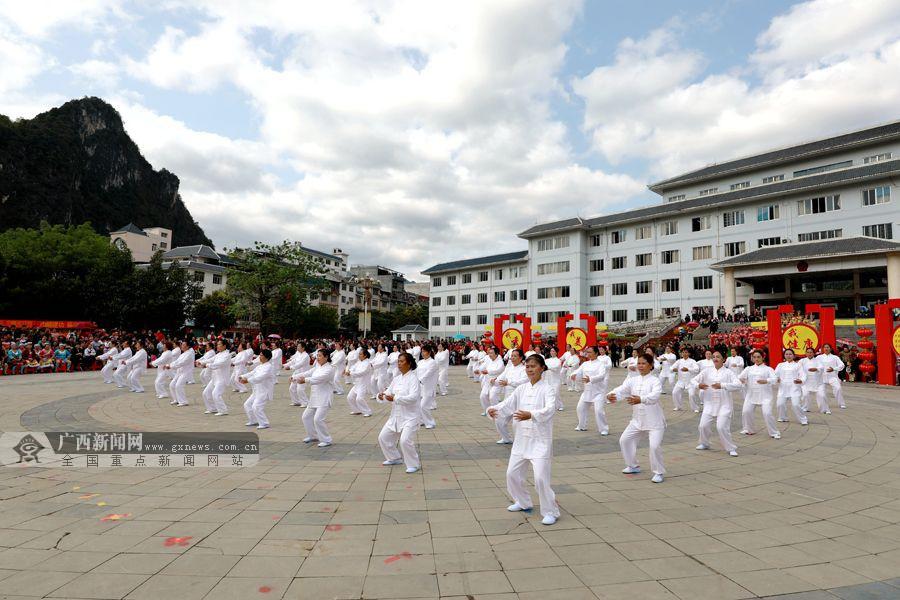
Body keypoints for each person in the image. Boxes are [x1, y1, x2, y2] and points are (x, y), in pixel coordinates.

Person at [488, 354, 560, 525]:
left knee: (541, 478)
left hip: (540, 441)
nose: (530, 370)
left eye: (533, 366)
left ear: (542, 368)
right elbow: (508, 404)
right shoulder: (521, 389)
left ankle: (550, 511)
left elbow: (550, 409)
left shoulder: (548, 389)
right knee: (511, 474)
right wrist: (494, 409)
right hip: (521, 440)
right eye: (527, 367)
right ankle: (522, 501)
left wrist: (531, 415)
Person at [607, 352, 666, 483]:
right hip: (637, 420)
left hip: (654, 421)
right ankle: (633, 465)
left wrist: (641, 399)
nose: (640, 366)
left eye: (644, 363)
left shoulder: (655, 381)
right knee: (624, 440)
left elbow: (655, 396)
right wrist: (611, 395)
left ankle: (659, 472)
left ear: (650, 365)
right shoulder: (632, 380)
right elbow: (621, 390)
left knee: (654, 446)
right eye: (639, 363)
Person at [378, 351, 423, 473]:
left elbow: (413, 397)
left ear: (409, 364)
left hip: (410, 416)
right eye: (398, 361)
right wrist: (382, 396)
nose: (399, 364)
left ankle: (414, 464)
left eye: (402, 361)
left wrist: (395, 398)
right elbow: (388, 393)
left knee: (405, 440)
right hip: (396, 416)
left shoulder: (413, 379)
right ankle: (394, 457)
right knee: (383, 437)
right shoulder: (396, 379)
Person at [694, 351, 742, 457]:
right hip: (709, 404)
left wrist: (723, 385)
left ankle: (730, 448)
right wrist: (698, 385)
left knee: (721, 427)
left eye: (718, 357)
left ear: (723, 359)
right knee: (703, 426)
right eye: (714, 357)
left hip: (724, 404)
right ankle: (705, 443)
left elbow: (738, 384)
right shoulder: (706, 371)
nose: (715, 359)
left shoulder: (728, 372)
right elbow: (693, 380)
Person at [296, 349, 336, 447]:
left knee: (318, 419)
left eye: (320, 356)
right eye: (317, 355)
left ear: (326, 357)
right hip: (314, 397)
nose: (317, 358)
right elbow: (310, 372)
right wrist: (295, 376)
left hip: (324, 397)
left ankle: (326, 440)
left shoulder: (330, 369)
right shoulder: (317, 366)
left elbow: (319, 379)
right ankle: (313, 436)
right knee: (306, 417)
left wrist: (305, 380)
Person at [738, 350, 779, 438]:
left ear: (763, 357)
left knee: (767, 413)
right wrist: (742, 380)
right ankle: (749, 429)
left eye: (758, 357)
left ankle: (774, 432)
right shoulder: (748, 368)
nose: (756, 359)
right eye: (754, 357)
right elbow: (740, 377)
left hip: (765, 395)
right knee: (746, 411)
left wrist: (766, 381)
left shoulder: (768, 369)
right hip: (751, 394)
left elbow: (775, 379)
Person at [570, 346, 610, 436]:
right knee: (580, 408)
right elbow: (578, 371)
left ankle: (604, 429)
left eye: (590, 352)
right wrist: (573, 375)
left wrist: (591, 379)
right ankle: (582, 425)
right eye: (587, 352)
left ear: (596, 353)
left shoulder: (601, 364)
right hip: (587, 391)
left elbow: (602, 375)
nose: (588, 354)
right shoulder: (585, 364)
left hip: (598, 392)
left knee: (599, 411)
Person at [493, 349, 528, 444]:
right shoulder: (509, 368)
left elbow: (524, 381)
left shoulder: (524, 369)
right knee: (499, 418)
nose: (512, 358)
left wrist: (509, 383)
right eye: (512, 356)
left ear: (521, 358)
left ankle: (522, 442)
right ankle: (506, 438)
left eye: (515, 356)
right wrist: (494, 381)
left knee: (517, 423)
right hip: (508, 399)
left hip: (519, 400)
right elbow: (501, 378)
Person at [241, 348, 274, 429]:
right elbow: (252, 373)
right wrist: (242, 376)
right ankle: (254, 420)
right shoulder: (260, 366)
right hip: (256, 390)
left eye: (261, 355)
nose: (260, 356)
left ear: (266, 357)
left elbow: (260, 377)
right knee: (247, 404)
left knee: (256, 406)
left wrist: (247, 380)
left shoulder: (268, 367)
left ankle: (264, 423)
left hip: (264, 391)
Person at [775, 349, 808, 425]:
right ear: (784, 355)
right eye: (786, 354)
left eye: (790, 354)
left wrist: (801, 380)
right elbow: (775, 374)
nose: (788, 356)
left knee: (796, 404)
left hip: (794, 387)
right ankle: (783, 417)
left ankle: (803, 419)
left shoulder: (798, 365)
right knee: (780, 404)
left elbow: (803, 375)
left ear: (793, 355)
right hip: (783, 387)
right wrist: (777, 379)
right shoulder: (780, 365)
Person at [203, 340, 232, 416]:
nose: (217, 346)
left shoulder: (227, 355)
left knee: (215, 394)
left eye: (219, 344)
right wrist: (201, 361)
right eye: (217, 344)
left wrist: (208, 365)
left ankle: (223, 410)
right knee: (206, 393)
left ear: (224, 346)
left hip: (222, 379)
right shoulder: (218, 354)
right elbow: (211, 360)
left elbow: (219, 364)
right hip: (215, 378)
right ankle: (212, 408)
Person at [346, 347, 374, 417]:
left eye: (361, 354)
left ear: (365, 355)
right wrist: (349, 370)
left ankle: (368, 411)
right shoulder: (359, 362)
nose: (359, 355)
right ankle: (357, 410)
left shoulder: (367, 364)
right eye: (359, 354)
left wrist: (351, 373)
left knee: (359, 399)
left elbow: (362, 372)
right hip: (357, 384)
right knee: (349, 397)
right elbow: (353, 367)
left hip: (363, 384)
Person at [417, 344, 439, 429]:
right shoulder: (420, 362)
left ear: (429, 352)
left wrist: (420, 380)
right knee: (418, 406)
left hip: (428, 388)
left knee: (423, 406)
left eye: (424, 351)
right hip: (419, 388)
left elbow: (428, 374)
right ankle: (422, 421)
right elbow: (416, 372)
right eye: (422, 351)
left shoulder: (433, 362)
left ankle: (431, 423)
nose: (422, 353)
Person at [478, 346, 505, 417]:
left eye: (492, 353)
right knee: (482, 396)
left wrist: (488, 371)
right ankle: (487, 410)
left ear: (496, 354)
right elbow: (483, 366)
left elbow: (499, 370)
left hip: (496, 383)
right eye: (489, 353)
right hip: (487, 382)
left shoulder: (500, 361)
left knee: (492, 397)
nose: (490, 354)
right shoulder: (489, 360)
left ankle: (496, 411)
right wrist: (479, 370)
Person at [167, 341, 195, 407]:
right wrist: (169, 365)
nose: (182, 346)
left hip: (186, 372)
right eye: (182, 344)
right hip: (179, 372)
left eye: (183, 345)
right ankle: (176, 399)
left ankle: (183, 401)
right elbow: (177, 361)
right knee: (172, 385)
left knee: (178, 385)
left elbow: (182, 363)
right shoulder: (183, 354)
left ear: (187, 346)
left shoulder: (189, 354)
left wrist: (170, 366)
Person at [799, 347, 826, 414]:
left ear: (814, 353)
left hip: (817, 381)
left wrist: (816, 369)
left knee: (821, 395)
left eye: (811, 352)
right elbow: (797, 368)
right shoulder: (802, 361)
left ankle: (823, 409)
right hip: (806, 381)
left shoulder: (818, 360)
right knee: (805, 394)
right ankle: (805, 407)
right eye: (808, 352)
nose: (809, 354)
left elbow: (821, 367)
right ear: (805, 353)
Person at [818, 343, 846, 409]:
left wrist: (834, 369)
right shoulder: (819, 357)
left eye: (828, 347)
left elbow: (842, 365)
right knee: (821, 392)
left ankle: (841, 403)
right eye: (825, 347)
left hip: (832, 377)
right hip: (822, 377)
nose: (826, 349)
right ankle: (823, 404)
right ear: (823, 349)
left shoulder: (835, 357)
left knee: (838, 388)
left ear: (830, 349)